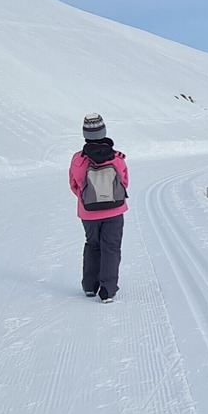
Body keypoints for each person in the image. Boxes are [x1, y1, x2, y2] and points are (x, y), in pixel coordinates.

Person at [68, 113, 128, 302]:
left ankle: (89, 286)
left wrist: (87, 199)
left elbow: (74, 185)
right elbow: (124, 182)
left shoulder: (78, 159)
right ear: (103, 131)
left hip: (88, 212)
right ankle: (107, 291)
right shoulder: (117, 158)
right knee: (111, 247)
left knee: (92, 245)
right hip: (115, 210)